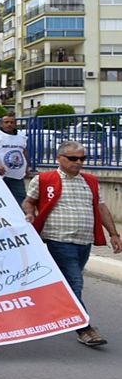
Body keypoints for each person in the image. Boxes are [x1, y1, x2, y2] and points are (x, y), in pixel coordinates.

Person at [23, 141, 122, 347]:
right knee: (75, 282)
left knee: (70, 282)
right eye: (73, 158)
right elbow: (29, 201)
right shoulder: (44, 179)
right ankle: (84, 328)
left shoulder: (91, 181)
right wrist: (30, 213)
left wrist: (113, 233)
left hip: (84, 240)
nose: (78, 163)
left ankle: (55, 306)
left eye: (82, 159)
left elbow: (102, 208)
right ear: (59, 158)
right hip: (59, 239)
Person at [0, 113, 30, 205]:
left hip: (17, 174)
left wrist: (27, 168)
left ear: (15, 124)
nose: (9, 124)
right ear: (1, 124)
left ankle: (22, 218)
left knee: (20, 198)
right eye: (6, 122)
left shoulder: (22, 136)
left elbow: (24, 152)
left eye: (12, 122)